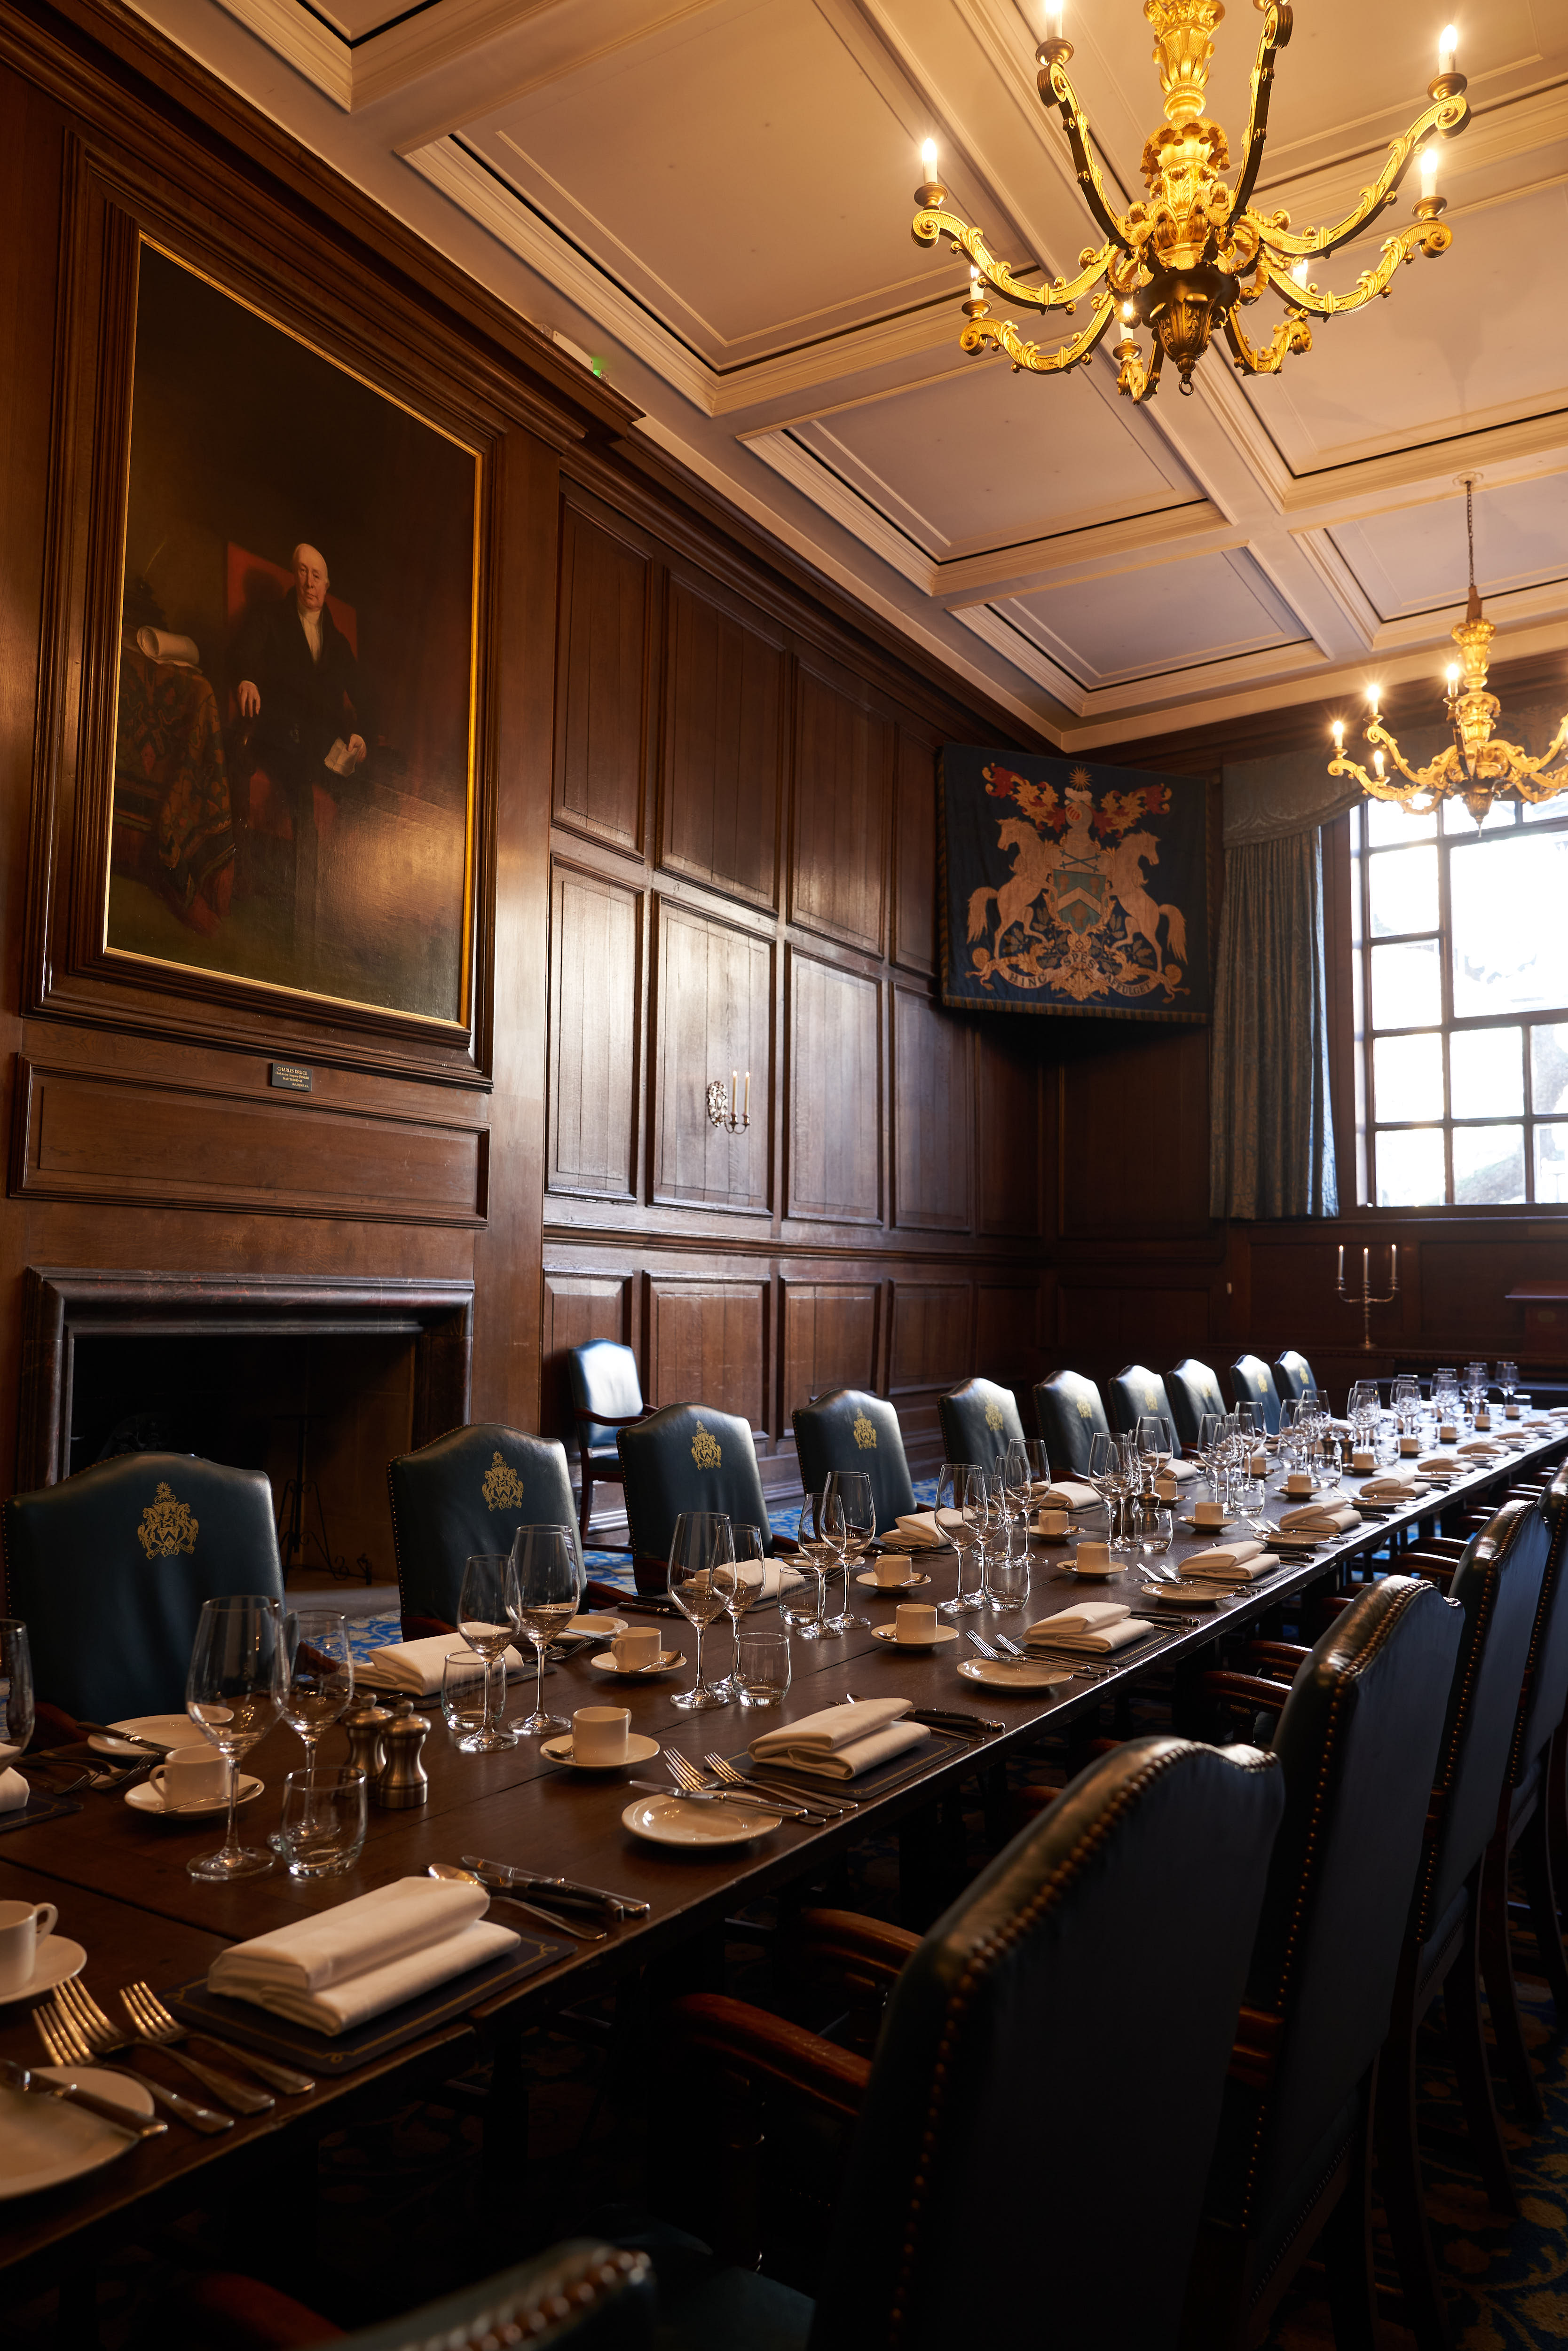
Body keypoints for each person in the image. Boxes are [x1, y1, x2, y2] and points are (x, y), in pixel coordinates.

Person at [233, 543, 372, 821]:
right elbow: (243, 653)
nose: (310, 583)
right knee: (302, 795)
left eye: (317, 576)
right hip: (280, 738)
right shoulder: (269, 617)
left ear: (326, 585)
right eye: (303, 572)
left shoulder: (339, 643)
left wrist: (362, 734)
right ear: (294, 576)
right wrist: (247, 678)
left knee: (368, 796)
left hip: (325, 745)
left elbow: (365, 698)